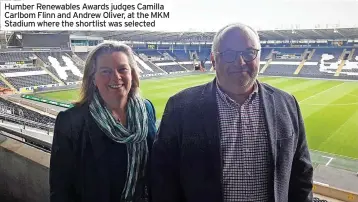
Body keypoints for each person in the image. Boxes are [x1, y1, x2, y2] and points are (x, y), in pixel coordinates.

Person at [151, 23, 313, 202]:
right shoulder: (179, 107)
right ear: (213, 60)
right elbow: (162, 178)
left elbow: (302, 176)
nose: (240, 62)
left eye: (249, 53)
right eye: (229, 54)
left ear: (259, 56)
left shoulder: (287, 104)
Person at [49, 42, 157, 202]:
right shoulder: (71, 121)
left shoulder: (146, 109)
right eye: (106, 71)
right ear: (93, 79)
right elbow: (60, 189)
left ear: (132, 74)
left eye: (122, 69)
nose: (116, 77)